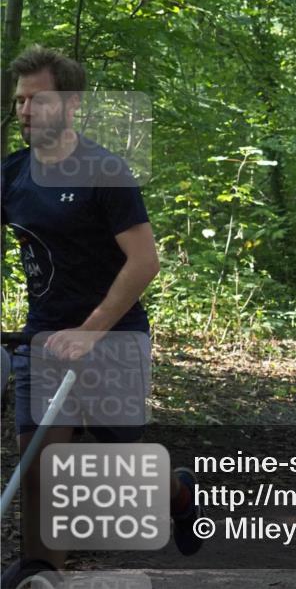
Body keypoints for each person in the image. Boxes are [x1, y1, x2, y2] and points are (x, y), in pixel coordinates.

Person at [0, 46, 203, 585]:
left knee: (120, 464)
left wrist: (90, 333)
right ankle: (41, 574)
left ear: (71, 106)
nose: (24, 111)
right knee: (39, 463)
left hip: (113, 336)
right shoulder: (11, 175)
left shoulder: (104, 171)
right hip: (43, 339)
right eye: (19, 101)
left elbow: (144, 261)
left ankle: (179, 493)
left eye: (38, 100)